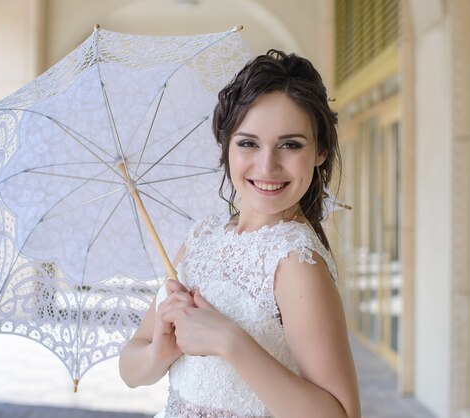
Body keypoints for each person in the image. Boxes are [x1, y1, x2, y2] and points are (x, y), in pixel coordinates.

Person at [119, 50, 361, 418]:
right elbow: (130, 367)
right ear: (226, 147)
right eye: (248, 143)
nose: (267, 166)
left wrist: (230, 342)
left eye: (290, 144)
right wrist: (159, 352)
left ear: (320, 152)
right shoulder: (202, 236)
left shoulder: (295, 261)